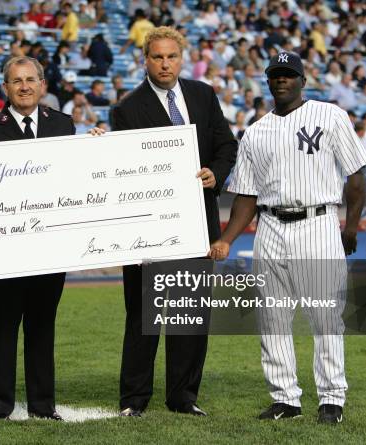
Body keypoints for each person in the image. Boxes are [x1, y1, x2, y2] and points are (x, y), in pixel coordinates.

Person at [209, 51, 366, 424]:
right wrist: (228, 238)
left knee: (324, 316)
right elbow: (246, 196)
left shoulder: (330, 116)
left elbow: (357, 177)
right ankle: (285, 399)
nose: (282, 79)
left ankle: (331, 398)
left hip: (317, 222)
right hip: (269, 227)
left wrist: (350, 227)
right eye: (276, 74)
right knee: (272, 319)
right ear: (268, 81)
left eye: (289, 74)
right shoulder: (255, 131)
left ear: (302, 80)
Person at [110, 26, 237, 417]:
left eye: (171, 56)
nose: (165, 64)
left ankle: (183, 397)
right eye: (157, 57)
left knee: (190, 313)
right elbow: (123, 168)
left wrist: (216, 173)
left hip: (196, 222)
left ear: (181, 58)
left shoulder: (202, 95)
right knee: (144, 314)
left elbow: (226, 145)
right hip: (147, 228)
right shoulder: (126, 109)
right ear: (145, 60)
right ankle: (135, 400)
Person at [0, 56, 76, 421]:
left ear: (42, 85)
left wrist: (97, 145)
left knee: (43, 328)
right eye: (16, 81)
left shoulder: (64, 125)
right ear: (4, 88)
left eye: (31, 80)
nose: (24, 86)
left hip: (50, 249)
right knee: (3, 329)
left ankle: (43, 406)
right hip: (3, 252)